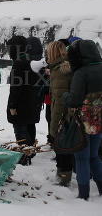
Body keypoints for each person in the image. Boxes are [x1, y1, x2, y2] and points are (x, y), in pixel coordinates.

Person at [63, 39, 102, 199]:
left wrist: (65, 95)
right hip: (99, 120)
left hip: (83, 122)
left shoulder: (81, 73)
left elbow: (74, 100)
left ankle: (83, 194)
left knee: (81, 158)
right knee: (94, 156)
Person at [6, 36, 44, 165]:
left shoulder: (19, 62)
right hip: (34, 102)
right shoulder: (37, 62)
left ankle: (24, 155)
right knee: (30, 125)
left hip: (21, 103)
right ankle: (30, 151)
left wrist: (12, 105)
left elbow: (15, 87)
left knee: (20, 128)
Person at [46, 41, 74, 186]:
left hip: (64, 116)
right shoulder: (63, 66)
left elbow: (60, 100)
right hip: (68, 114)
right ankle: (63, 175)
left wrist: (53, 125)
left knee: (62, 147)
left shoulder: (60, 71)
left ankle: (64, 178)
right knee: (64, 146)